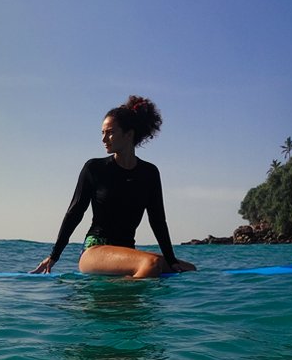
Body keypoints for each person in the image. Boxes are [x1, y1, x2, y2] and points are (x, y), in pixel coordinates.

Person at [32, 96, 197, 278]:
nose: (104, 139)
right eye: (102, 133)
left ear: (129, 134)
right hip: (95, 250)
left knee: (189, 269)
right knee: (151, 264)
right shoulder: (94, 168)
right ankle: (119, 301)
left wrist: (172, 260)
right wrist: (54, 256)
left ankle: (121, 290)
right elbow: (74, 213)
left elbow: (158, 221)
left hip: (125, 251)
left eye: (109, 132)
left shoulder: (149, 173)